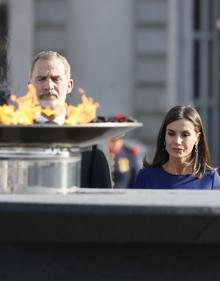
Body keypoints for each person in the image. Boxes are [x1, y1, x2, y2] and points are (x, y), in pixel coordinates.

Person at [30, 50, 111, 188]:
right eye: (41, 78)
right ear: (30, 86)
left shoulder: (93, 136)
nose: (49, 86)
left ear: (69, 86)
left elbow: (103, 195)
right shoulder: (14, 132)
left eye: (56, 79)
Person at [134, 105, 220, 189]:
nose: (177, 141)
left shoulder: (210, 179)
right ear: (164, 136)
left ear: (197, 138)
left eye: (185, 135)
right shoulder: (146, 177)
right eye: (171, 134)